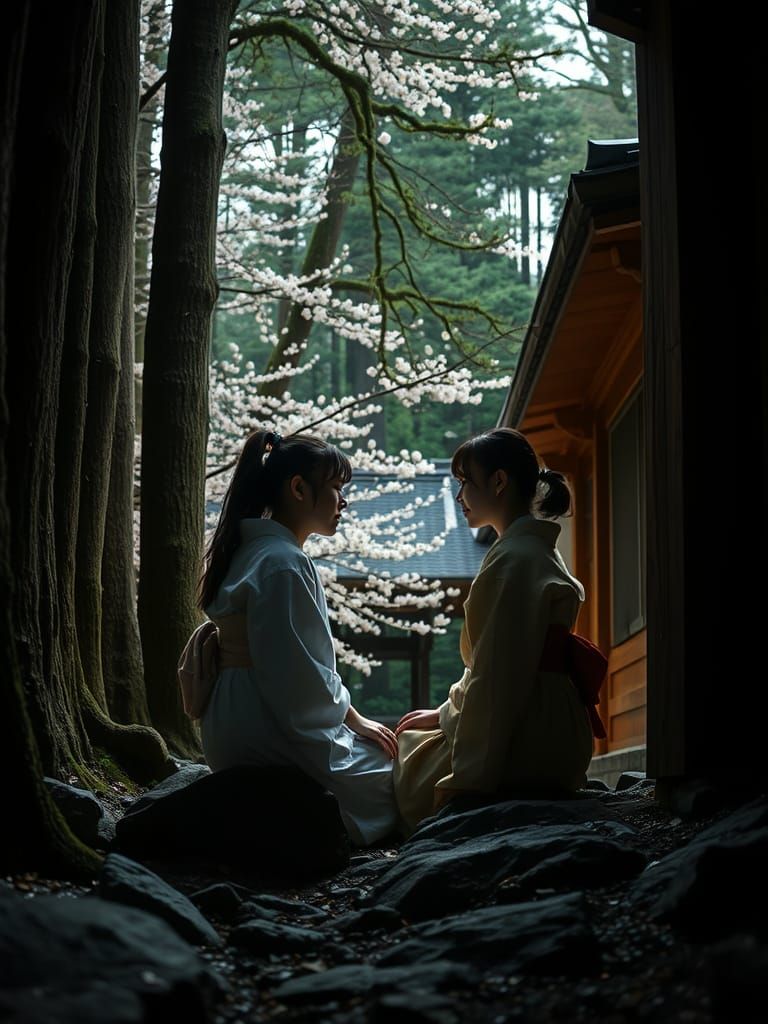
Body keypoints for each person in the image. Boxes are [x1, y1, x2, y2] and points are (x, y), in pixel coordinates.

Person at [197, 429, 399, 847]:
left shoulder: (253, 553)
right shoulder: (283, 564)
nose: (344, 502)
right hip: (264, 727)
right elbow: (295, 679)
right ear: (298, 489)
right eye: (337, 488)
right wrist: (353, 718)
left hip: (235, 721)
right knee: (394, 775)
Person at [392, 427, 596, 836]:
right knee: (415, 735)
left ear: (499, 482)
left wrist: (466, 781)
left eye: (466, 482)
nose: (458, 495)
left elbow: (498, 680)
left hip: (526, 736)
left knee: (401, 764)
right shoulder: (531, 551)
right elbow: (496, 670)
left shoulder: (514, 560)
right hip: (553, 726)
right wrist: (443, 713)